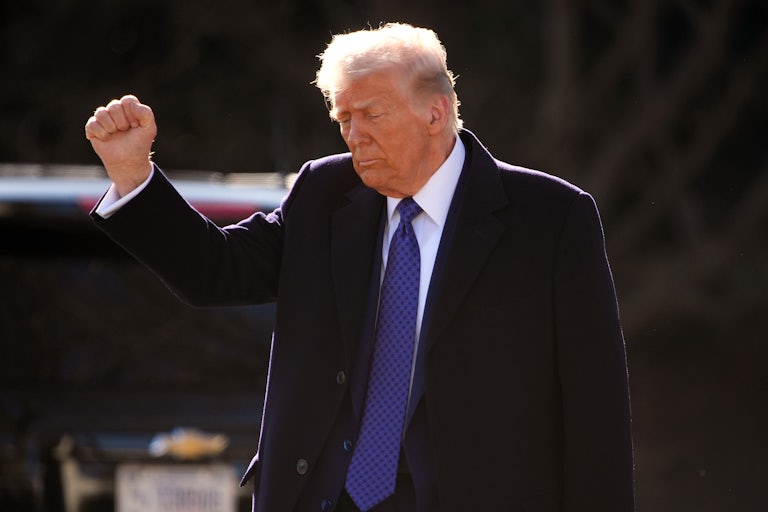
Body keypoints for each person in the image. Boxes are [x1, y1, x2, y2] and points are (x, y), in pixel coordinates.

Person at [85, 23, 634, 512]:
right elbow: (216, 271)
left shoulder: (551, 218)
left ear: (435, 112)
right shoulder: (324, 193)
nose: (354, 135)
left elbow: (595, 408)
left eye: (373, 114)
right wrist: (134, 173)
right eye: (343, 117)